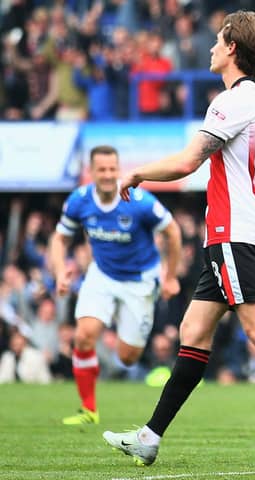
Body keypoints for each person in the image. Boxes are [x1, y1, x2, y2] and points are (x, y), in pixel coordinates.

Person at [102, 10, 255, 468]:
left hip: (231, 233)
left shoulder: (232, 103)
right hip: (248, 235)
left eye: (216, 40)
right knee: (193, 331)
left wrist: (139, 172)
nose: (210, 47)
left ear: (231, 49)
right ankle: (149, 437)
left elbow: (188, 163)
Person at [50, 145, 182, 425]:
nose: (108, 175)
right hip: (102, 274)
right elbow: (60, 239)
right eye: (102, 169)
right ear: (91, 172)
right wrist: (60, 272)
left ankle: (124, 325)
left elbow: (173, 231)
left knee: (128, 356)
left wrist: (169, 277)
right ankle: (89, 409)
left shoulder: (140, 202)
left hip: (140, 281)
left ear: (118, 170)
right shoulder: (79, 200)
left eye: (113, 169)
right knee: (84, 335)